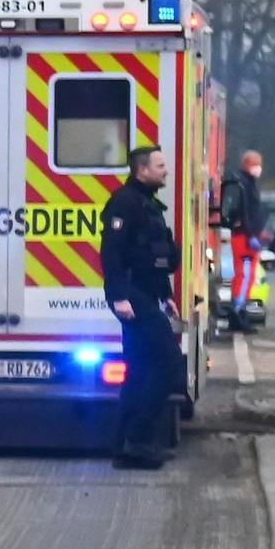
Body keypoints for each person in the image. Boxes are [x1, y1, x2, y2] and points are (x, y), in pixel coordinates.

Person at [99, 145, 183, 469]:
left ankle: (124, 445)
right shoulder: (125, 202)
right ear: (142, 170)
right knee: (168, 363)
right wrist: (119, 296)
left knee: (139, 371)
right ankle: (139, 436)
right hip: (131, 296)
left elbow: (152, 257)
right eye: (160, 165)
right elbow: (113, 253)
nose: (165, 170)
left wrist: (167, 296)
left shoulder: (148, 204)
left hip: (146, 295)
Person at [219, 150, 267, 331]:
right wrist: (251, 234)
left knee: (247, 274)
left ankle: (240, 311)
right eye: (255, 164)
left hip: (248, 235)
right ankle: (237, 312)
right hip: (245, 237)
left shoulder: (246, 183)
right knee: (245, 274)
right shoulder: (243, 184)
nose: (258, 168)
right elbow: (245, 211)